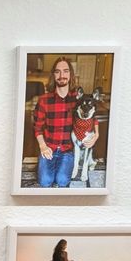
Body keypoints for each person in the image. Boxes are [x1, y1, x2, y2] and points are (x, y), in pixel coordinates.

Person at [32, 57, 96, 187]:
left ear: (70, 74)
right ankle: (47, 166)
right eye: (58, 72)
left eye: (66, 71)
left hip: (68, 151)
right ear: (53, 75)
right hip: (49, 148)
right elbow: (37, 127)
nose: (62, 75)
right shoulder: (44, 100)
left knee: (62, 181)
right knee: (45, 182)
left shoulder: (77, 100)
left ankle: (57, 168)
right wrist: (43, 146)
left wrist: (96, 136)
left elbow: (92, 117)